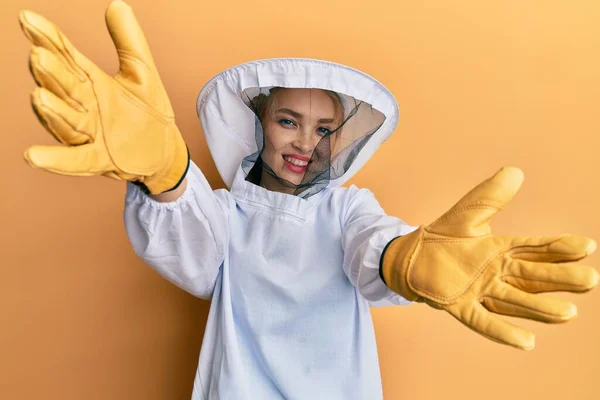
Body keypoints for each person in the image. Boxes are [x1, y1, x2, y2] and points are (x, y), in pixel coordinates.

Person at [18, 1, 599, 399]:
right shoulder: (223, 211)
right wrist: (167, 174)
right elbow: (190, 252)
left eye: (324, 129)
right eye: (289, 120)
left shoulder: (345, 210)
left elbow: (372, 245)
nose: (305, 141)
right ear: (259, 124)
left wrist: (405, 259)